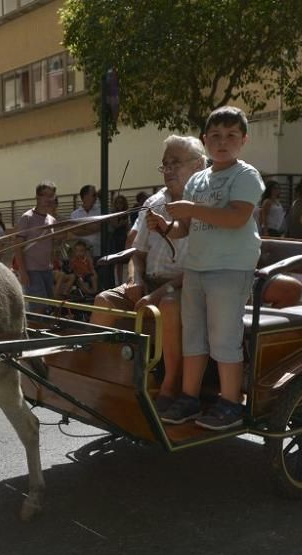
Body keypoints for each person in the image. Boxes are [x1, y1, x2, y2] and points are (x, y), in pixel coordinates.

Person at [151, 106, 264, 430]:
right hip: (197, 268)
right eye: (215, 135)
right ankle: (189, 397)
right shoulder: (198, 180)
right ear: (205, 141)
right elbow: (184, 228)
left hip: (230, 268)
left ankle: (231, 402)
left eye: (230, 136)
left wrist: (192, 209)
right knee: (194, 338)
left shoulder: (246, 175)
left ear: (243, 140)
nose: (222, 142)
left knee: (223, 338)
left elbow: (237, 217)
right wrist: (163, 226)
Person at [92, 134, 206, 408]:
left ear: (199, 165)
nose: (168, 170)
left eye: (174, 164)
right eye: (164, 165)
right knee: (104, 301)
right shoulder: (154, 202)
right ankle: (99, 370)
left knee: (167, 306)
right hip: (149, 282)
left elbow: (198, 266)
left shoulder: (205, 204)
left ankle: (171, 383)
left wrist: (155, 295)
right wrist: (134, 278)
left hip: (186, 286)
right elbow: (137, 254)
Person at [15, 181, 58, 311]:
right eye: (45, 195)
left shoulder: (52, 220)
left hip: (47, 270)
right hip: (32, 270)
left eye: (51, 195)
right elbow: (17, 246)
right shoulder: (27, 218)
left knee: (49, 306)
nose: (48, 199)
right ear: (37, 197)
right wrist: (22, 272)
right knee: (39, 308)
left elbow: (52, 245)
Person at [70, 184, 102, 258]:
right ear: (85, 196)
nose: (96, 197)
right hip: (80, 255)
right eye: (94, 195)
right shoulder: (74, 214)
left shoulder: (100, 211)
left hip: (98, 252)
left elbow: (98, 227)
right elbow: (74, 231)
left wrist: (81, 226)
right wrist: (92, 227)